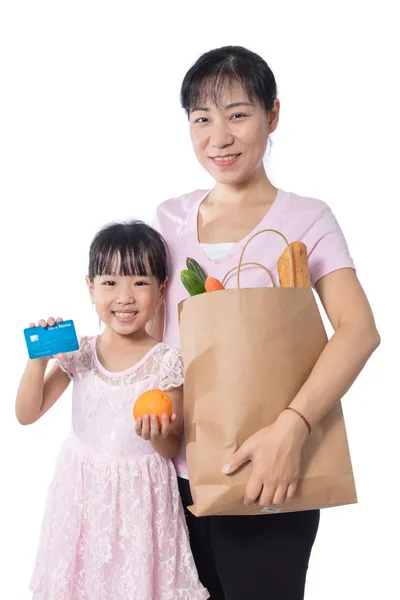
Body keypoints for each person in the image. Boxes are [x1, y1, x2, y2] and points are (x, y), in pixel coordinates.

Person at [152, 46, 380, 600]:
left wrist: (291, 428)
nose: (218, 137)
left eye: (237, 114)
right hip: (167, 476)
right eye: (201, 119)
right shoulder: (168, 219)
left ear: (272, 115)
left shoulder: (305, 218)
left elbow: (359, 330)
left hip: (269, 475)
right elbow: (144, 332)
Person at [15, 220, 209, 600]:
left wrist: (158, 435)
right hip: (82, 497)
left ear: (161, 289)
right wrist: (38, 360)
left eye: (139, 282)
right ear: (90, 287)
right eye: (110, 283)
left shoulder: (165, 362)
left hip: (141, 502)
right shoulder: (81, 353)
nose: (124, 297)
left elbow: (171, 448)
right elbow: (27, 413)